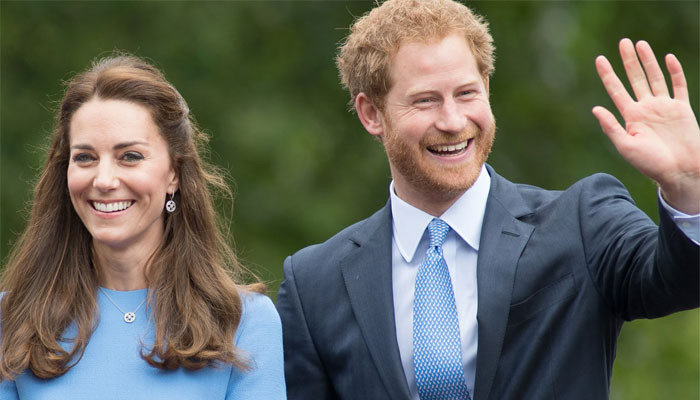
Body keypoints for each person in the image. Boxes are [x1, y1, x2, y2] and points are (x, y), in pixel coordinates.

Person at [275, 0, 700, 399]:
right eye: (425, 100)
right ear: (371, 113)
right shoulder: (314, 284)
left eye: (466, 93)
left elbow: (680, 282)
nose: (453, 120)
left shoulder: (582, 222)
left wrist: (688, 187)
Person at [0, 54, 286, 399]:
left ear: (174, 173)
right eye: (85, 157)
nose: (104, 180)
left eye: (130, 156)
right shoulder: (11, 321)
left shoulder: (244, 322)